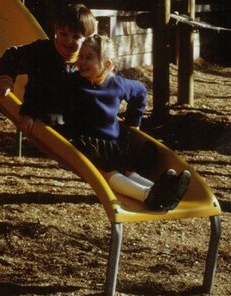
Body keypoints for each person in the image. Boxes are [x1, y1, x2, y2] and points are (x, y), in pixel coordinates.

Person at [62, 34, 191, 212]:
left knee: (126, 171)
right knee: (109, 173)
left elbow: (140, 91)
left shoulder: (117, 84)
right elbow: (53, 95)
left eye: (89, 57)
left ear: (107, 64)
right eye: (81, 56)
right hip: (85, 143)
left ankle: (164, 191)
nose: (81, 62)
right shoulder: (73, 82)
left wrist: (134, 122)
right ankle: (148, 195)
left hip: (111, 144)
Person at [0, 3, 97, 134]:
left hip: (71, 122)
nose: (68, 40)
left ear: (87, 40)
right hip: (40, 117)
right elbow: (11, 56)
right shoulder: (42, 52)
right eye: (63, 34)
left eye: (76, 37)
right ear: (56, 31)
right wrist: (6, 79)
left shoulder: (86, 62)